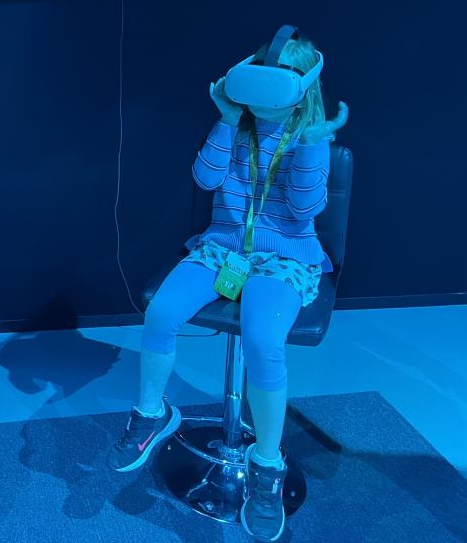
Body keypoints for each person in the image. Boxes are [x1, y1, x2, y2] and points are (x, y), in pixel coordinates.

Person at [108, 34, 348, 542]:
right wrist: (223, 116)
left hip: (284, 257)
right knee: (161, 313)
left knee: (263, 341)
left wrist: (310, 143)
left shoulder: (311, 140)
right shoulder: (237, 129)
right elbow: (205, 176)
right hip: (223, 248)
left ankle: (266, 463)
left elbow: (304, 211)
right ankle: (153, 414)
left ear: (299, 88)